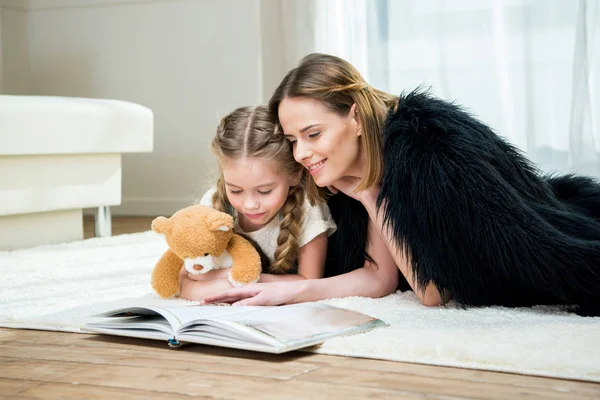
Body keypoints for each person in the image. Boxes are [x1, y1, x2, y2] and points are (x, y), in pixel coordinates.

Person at [204, 53, 600, 316]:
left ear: (355, 118)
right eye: (293, 140)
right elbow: (380, 275)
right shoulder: (344, 169)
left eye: (313, 133)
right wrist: (290, 289)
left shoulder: (426, 157)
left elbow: (431, 293)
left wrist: (368, 196)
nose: (302, 153)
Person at [178, 105, 336, 301]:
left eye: (264, 191)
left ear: (295, 174)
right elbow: (184, 278)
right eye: (235, 190)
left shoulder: (307, 208)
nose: (250, 204)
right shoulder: (213, 204)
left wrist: (229, 278)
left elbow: (310, 282)